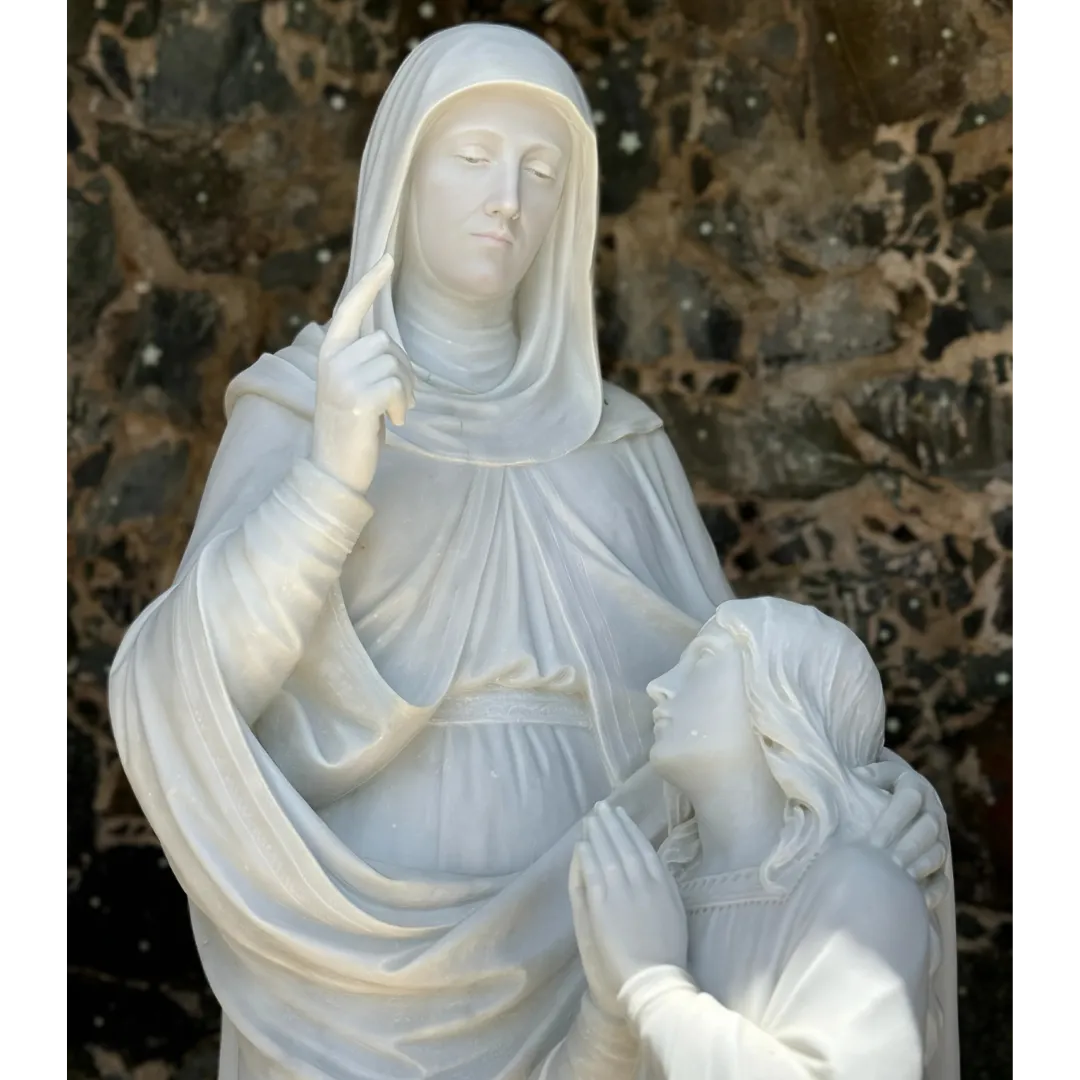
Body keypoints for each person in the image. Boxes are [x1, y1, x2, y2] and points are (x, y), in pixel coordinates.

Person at [108, 24, 948, 1080]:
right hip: (352, 950)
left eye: (542, 170)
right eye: (471, 158)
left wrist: (863, 787)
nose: (507, 195)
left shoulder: (620, 442)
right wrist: (328, 480)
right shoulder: (301, 404)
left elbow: (745, 693)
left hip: (590, 921)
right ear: (402, 172)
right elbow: (190, 688)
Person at [558, 598, 959, 1080]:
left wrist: (652, 986)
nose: (658, 688)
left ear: (786, 700)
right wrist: (610, 1009)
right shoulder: (664, 892)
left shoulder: (859, 887)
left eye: (703, 659)